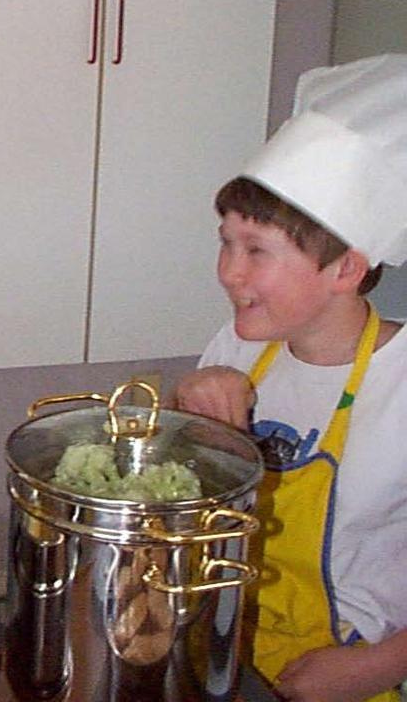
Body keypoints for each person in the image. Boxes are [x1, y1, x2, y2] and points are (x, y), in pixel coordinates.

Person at [175, 53, 407, 702]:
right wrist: (186, 407)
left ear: (345, 270)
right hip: (230, 648)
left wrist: (374, 667)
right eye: (226, 241)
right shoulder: (238, 348)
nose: (228, 271)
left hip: (350, 675)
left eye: (256, 251)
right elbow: (196, 499)